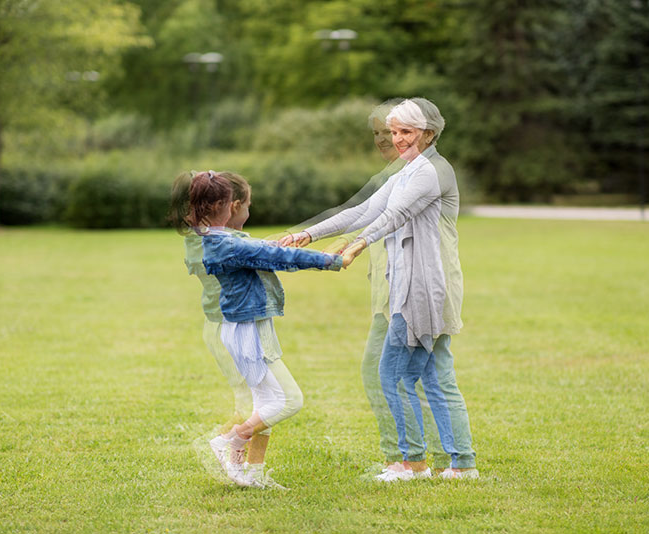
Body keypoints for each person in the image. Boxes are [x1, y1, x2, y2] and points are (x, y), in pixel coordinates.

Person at [283, 98, 478, 481]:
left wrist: (358, 243)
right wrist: (308, 233)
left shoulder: (431, 171)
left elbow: (394, 216)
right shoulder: (407, 171)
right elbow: (364, 210)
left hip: (423, 289)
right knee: (437, 375)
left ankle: (412, 463)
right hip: (416, 285)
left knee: (391, 373)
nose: (399, 139)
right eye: (394, 132)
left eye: (407, 131)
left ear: (427, 133)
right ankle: (461, 464)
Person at [170, 170, 348, 489]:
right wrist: (328, 260)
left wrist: (276, 242)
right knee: (289, 401)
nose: (245, 210)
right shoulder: (225, 244)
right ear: (227, 206)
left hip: (244, 327)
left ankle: (253, 475)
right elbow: (274, 257)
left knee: (264, 405)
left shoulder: (214, 238)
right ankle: (228, 441)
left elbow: (255, 248)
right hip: (248, 332)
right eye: (243, 205)